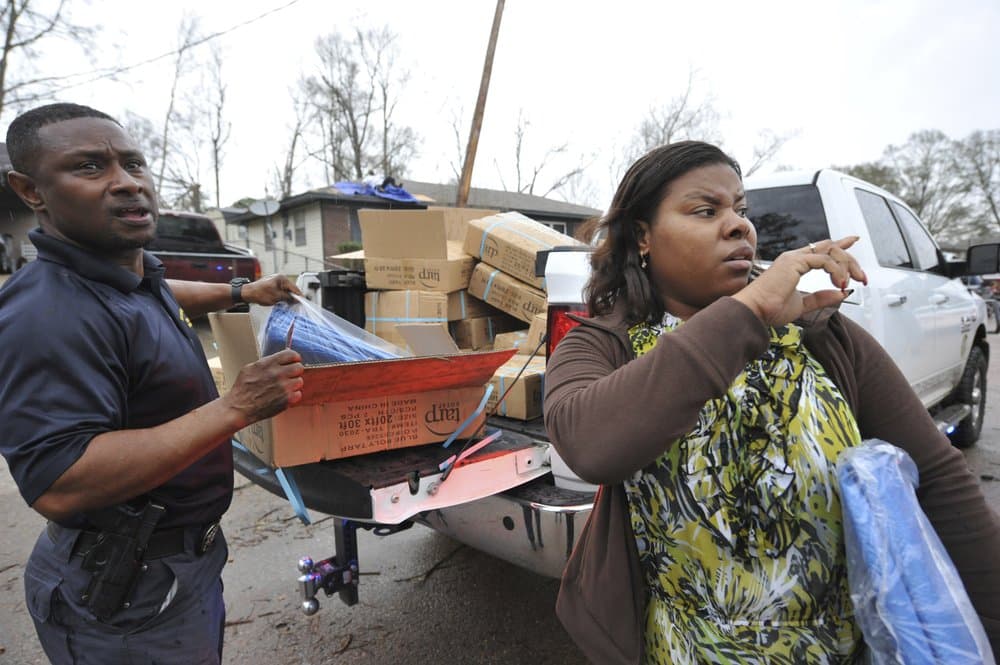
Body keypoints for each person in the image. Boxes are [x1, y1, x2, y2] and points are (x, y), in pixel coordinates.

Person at [543, 141, 1000, 664]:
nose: (739, 225)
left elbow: (940, 480)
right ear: (643, 236)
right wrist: (749, 312)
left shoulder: (825, 337)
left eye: (740, 209)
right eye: (706, 210)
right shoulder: (602, 345)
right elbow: (589, 444)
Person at [0, 102, 305, 664]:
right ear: (30, 190)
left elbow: (166, 293)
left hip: (174, 570)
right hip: (124, 597)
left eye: (134, 164)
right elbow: (60, 483)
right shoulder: (47, 314)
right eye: (90, 167)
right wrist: (237, 407)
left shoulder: (124, 273)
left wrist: (242, 293)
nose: (126, 183)